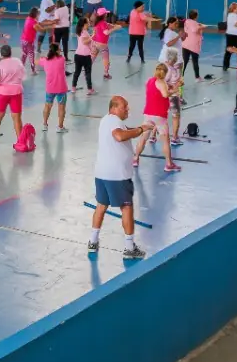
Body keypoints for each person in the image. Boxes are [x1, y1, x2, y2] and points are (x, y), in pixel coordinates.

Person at [89, 96, 151, 259]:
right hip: (117, 175)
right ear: (114, 108)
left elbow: (122, 130)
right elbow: (119, 136)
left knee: (101, 205)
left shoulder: (106, 121)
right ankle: (129, 248)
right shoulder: (115, 122)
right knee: (127, 207)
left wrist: (140, 127)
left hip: (101, 173)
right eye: (124, 107)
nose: (127, 109)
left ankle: (92, 241)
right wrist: (140, 131)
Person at [134, 64, 182, 172]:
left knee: (143, 138)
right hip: (159, 115)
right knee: (165, 141)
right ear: (165, 73)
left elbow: (158, 91)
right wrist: (175, 90)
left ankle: (135, 158)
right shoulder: (162, 82)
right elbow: (165, 94)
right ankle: (169, 164)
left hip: (148, 113)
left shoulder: (150, 81)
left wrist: (171, 87)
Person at [39, 43, 68, 133]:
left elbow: (37, 61)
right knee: (61, 108)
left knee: (47, 106)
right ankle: (60, 127)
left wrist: (42, 58)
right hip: (61, 89)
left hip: (50, 88)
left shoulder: (45, 61)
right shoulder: (62, 59)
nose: (61, 50)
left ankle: (44, 124)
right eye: (59, 49)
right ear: (56, 51)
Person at [92, 9, 121, 79]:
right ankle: (106, 73)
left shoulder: (97, 23)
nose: (107, 14)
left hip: (94, 43)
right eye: (106, 13)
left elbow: (108, 25)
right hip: (102, 45)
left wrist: (114, 26)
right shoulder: (103, 23)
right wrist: (115, 29)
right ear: (104, 15)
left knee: (92, 58)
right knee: (106, 59)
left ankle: (86, 71)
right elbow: (106, 32)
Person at [72, 16, 96, 95]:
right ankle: (89, 89)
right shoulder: (84, 32)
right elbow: (84, 42)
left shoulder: (82, 31)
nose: (89, 23)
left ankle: (74, 87)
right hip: (85, 56)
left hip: (78, 55)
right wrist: (93, 36)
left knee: (77, 72)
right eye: (88, 22)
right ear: (84, 24)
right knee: (87, 73)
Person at [181, 9, 204, 79]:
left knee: (184, 61)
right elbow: (194, 30)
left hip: (185, 44)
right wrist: (201, 27)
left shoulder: (186, 22)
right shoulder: (195, 24)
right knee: (195, 62)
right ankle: (197, 77)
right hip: (193, 46)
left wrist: (199, 26)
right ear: (196, 16)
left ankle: (180, 75)